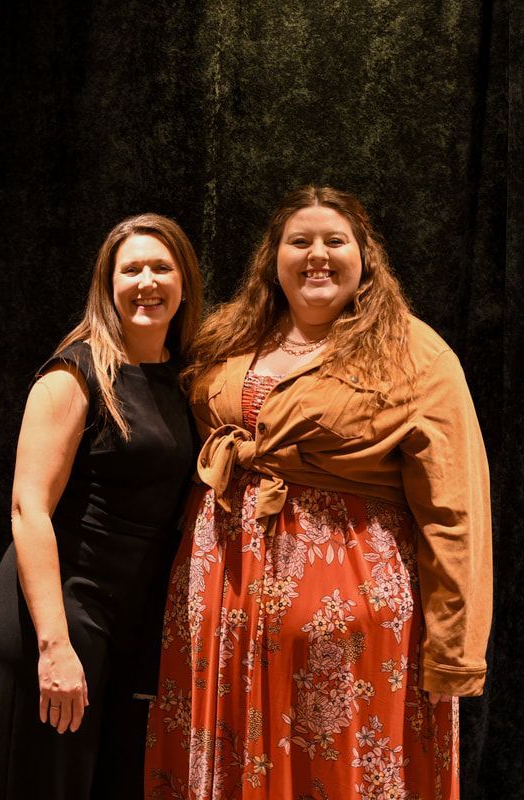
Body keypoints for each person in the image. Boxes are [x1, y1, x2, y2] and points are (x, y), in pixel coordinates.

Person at [144, 187, 492, 800]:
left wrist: (454, 651)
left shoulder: (414, 353)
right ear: (273, 258)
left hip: (349, 621)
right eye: (299, 241)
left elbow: (455, 507)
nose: (317, 256)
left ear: (366, 256)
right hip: (220, 600)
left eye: (335, 241)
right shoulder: (229, 334)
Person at [0, 213, 203, 800]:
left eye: (161, 267)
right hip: (62, 612)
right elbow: (28, 509)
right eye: (130, 270)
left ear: (185, 281)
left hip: (126, 620)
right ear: (108, 285)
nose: (147, 282)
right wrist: (54, 643)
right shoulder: (74, 374)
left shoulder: (182, 377)